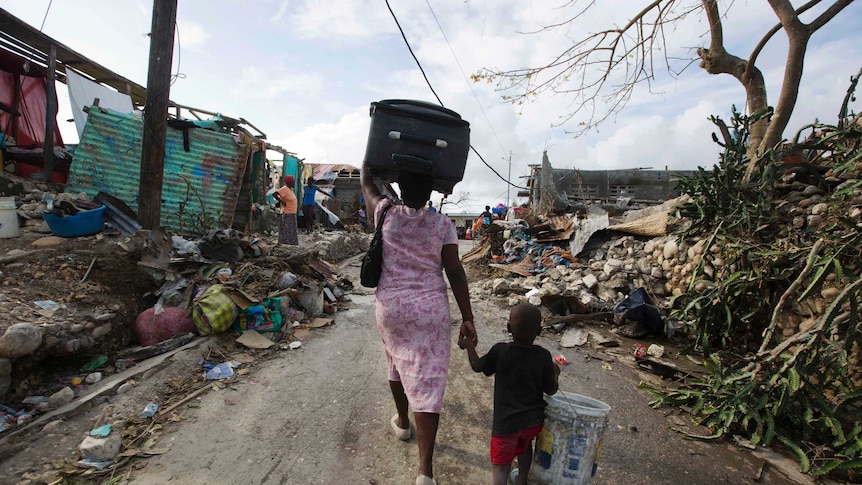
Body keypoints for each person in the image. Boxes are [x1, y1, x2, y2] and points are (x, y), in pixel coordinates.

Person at [361, 165, 477, 485]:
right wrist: (467, 317)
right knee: (427, 384)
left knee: (395, 361)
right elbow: (454, 271)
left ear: (398, 185)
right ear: (431, 192)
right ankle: (424, 471)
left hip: (391, 309)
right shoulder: (442, 224)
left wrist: (370, 161)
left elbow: (367, 185)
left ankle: (402, 421)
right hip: (430, 312)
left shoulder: (385, 212)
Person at [459, 302, 560, 485]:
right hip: (532, 423)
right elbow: (551, 389)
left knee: (500, 467)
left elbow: (477, 366)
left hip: (506, 425)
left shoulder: (500, 351)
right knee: (524, 446)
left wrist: (468, 346)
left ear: (508, 327)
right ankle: (522, 480)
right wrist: (555, 372)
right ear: (539, 331)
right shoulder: (543, 356)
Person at [272, 175, 298, 245]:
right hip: (287, 214)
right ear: (289, 182)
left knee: (291, 231)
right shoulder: (285, 189)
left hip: (292, 213)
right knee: (287, 231)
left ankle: (291, 244)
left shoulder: (290, 190)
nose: (294, 183)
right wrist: (281, 201)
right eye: (293, 182)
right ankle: (286, 244)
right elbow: (274, 194)